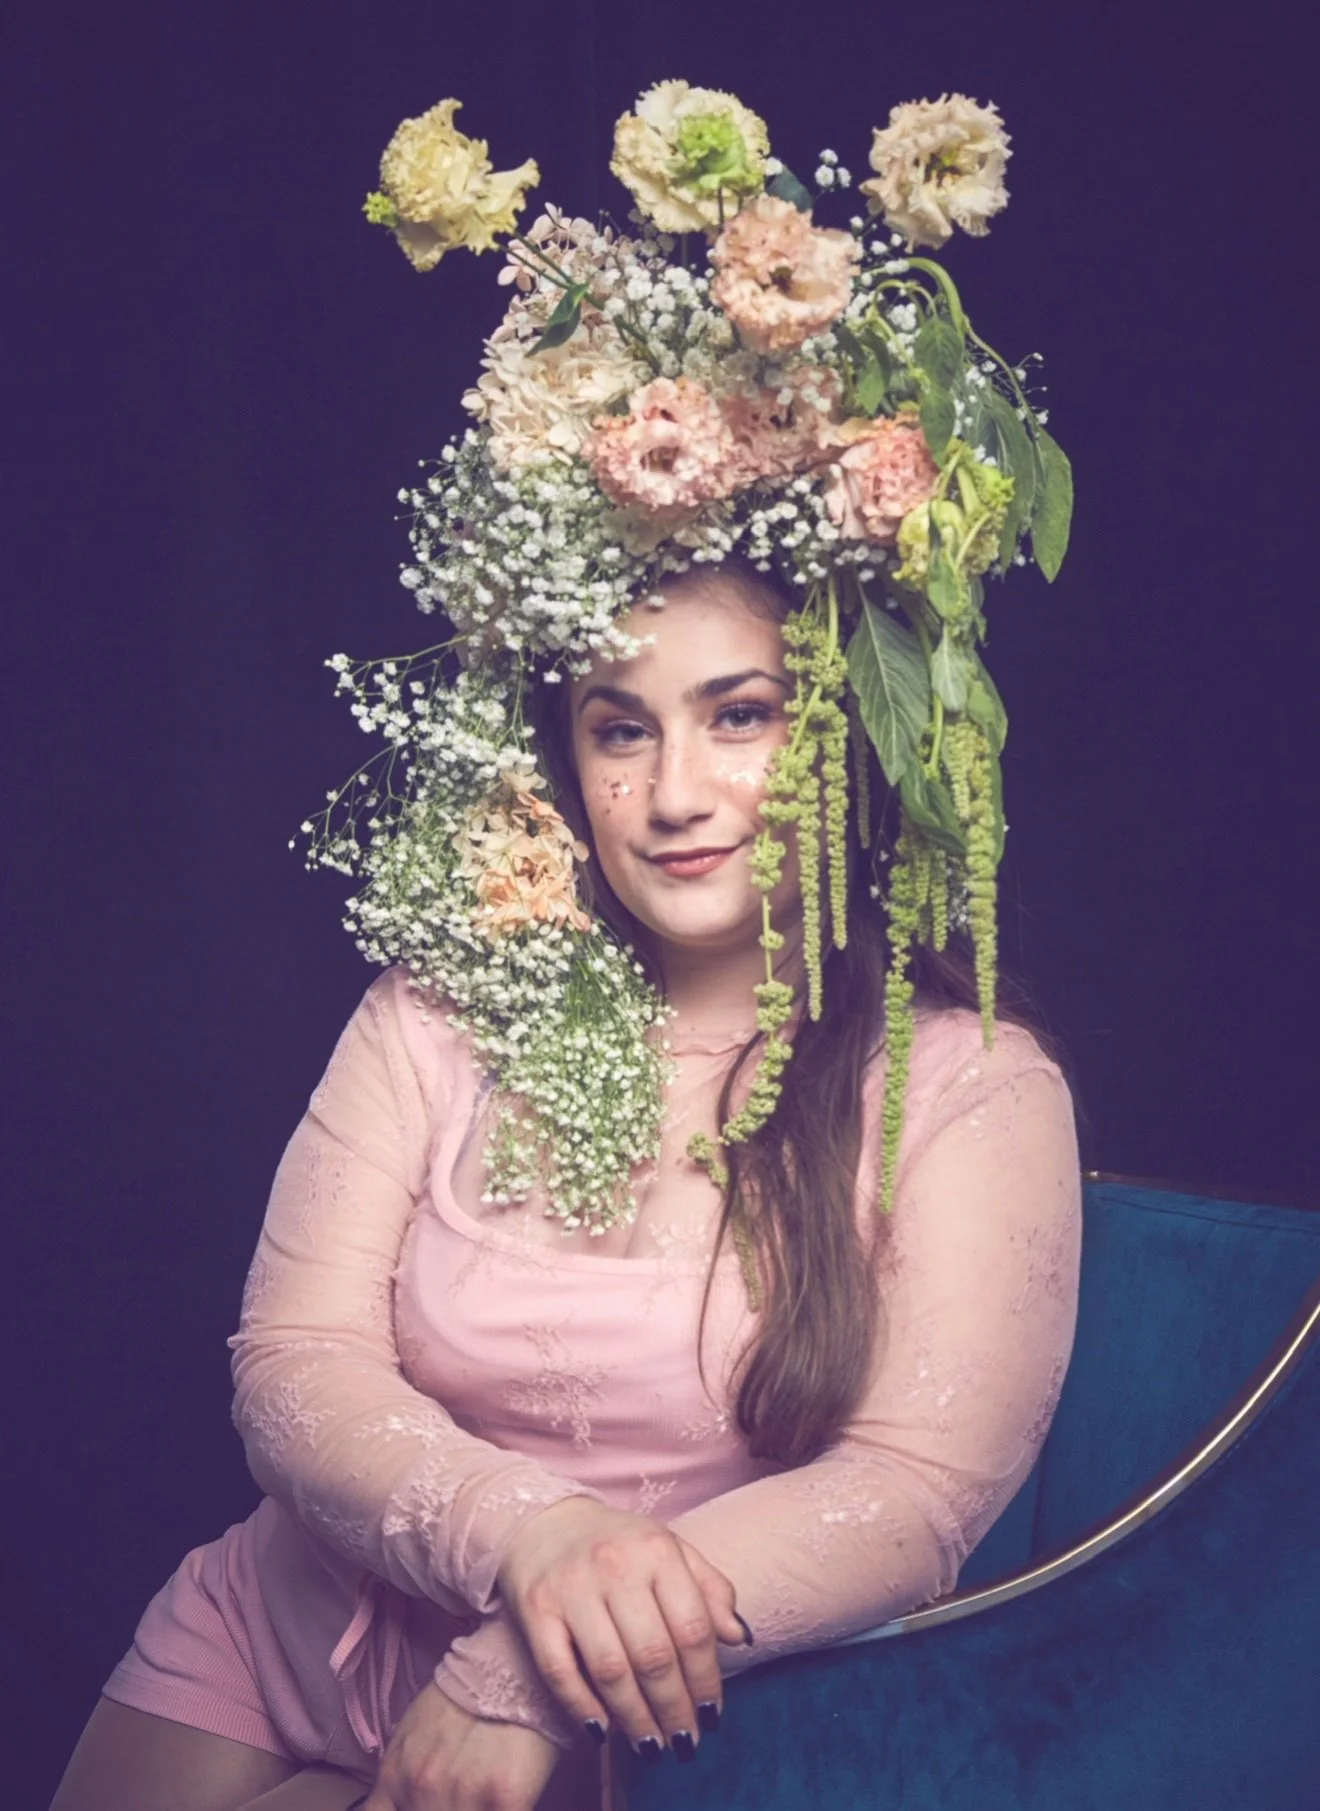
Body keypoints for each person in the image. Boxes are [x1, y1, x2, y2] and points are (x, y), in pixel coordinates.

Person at [51, 82, 1081, 1811]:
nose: (673, 793)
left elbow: (913, 1495)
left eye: (739, 714)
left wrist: (527, 1661)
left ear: (840, 727)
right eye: (619, 728)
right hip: (279, 1633)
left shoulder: (969, 1086)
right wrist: (531, 1537)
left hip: (616, 1721)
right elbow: (292, 1367)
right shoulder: (438, 1011)